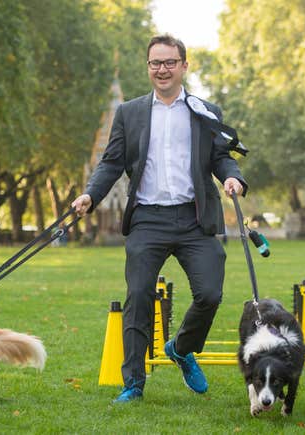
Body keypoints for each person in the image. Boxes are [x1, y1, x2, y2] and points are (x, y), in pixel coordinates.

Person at [72, 34, 247, 403]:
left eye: (169, 62)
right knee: (138, 295)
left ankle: (182, 348)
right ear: (148, 67)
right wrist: (91, 194)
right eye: (155, 63)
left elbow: (221, 156)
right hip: (148, 219)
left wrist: (233, 177)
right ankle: (133, 384)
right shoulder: (130, 113)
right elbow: (111, 162)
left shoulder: (205, 111)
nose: (162, 69)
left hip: (195, 219)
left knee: (210, 293)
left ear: (184, 66)